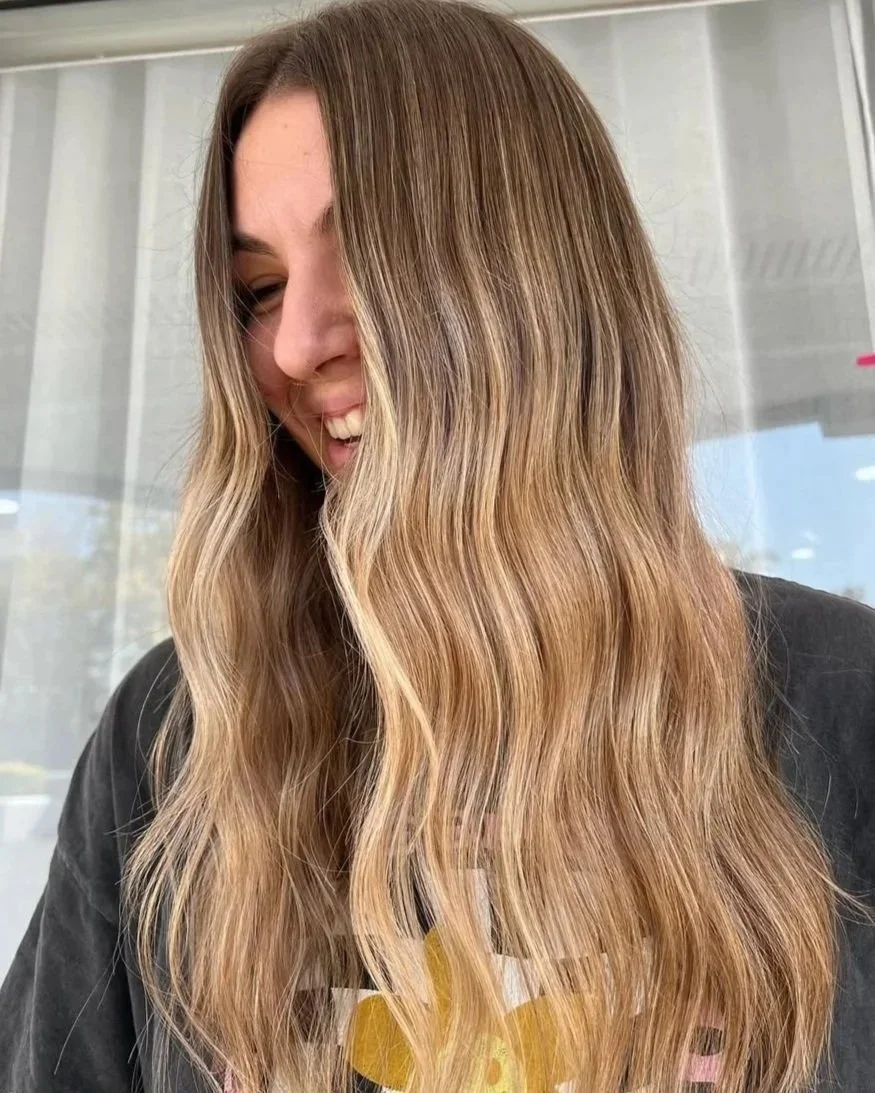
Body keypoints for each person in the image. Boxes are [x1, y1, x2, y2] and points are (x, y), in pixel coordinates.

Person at [2, 0, 874, 1090]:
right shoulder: (182, 730)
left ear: (539, 276)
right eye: (257, 290)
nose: (294, 340)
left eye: (365, 253)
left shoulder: (842, 707)